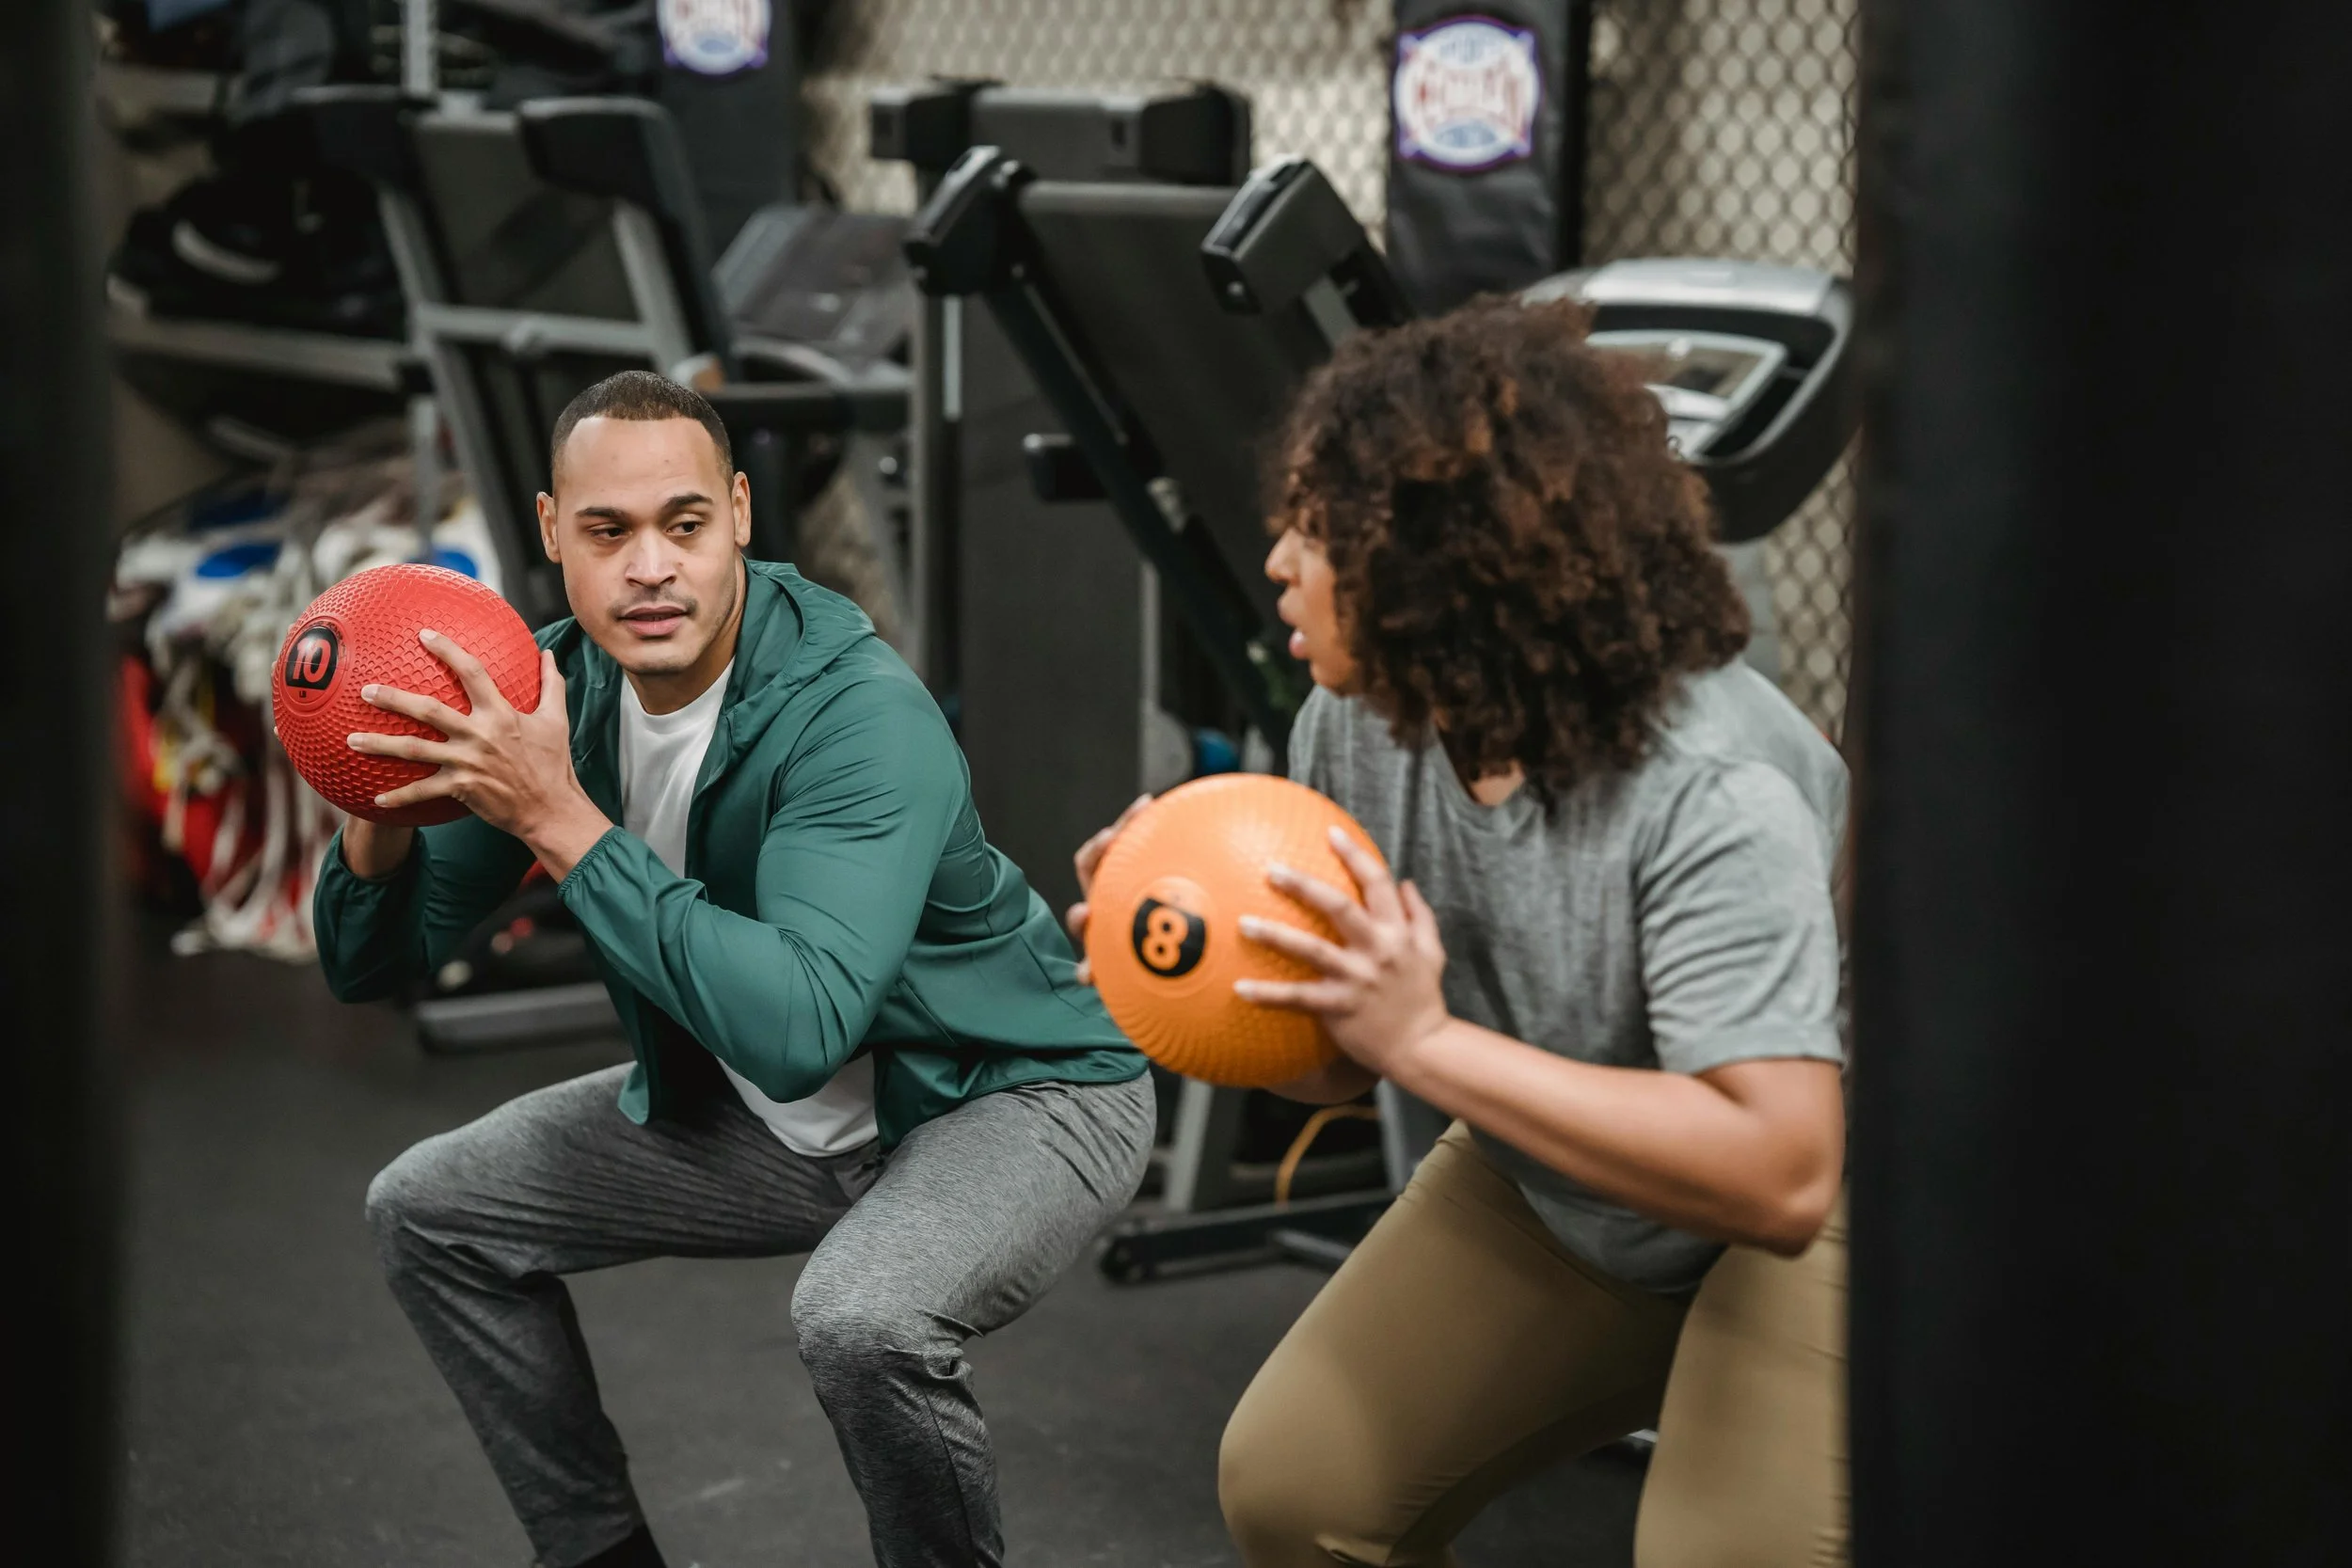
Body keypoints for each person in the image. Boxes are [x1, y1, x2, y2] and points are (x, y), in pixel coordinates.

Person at [317, 370, 1153, 1568]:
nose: (650, 566)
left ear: (742, 515)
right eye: (608, 531)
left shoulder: (854, 713)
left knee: (861, 1316)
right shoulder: (556, 698)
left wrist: (561, 819)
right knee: (430, 1209)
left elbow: (801, 1023)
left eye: (684, 524)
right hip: (777, 1127)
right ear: (553, 532)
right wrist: (373, 792)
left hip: (1010, 1094)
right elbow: (367, 960)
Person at [1071, 296, 1850, 1566]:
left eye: (1316, 537)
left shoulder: (1705, 785)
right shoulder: (1360, 725)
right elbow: (1340, 1059)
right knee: (1296, 1481)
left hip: (1820, 1217)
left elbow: (1782, 1169)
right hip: (1564, 1196)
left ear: (1442, 570)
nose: (1275, 562)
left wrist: (1425, 1040)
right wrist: (1189, 966)